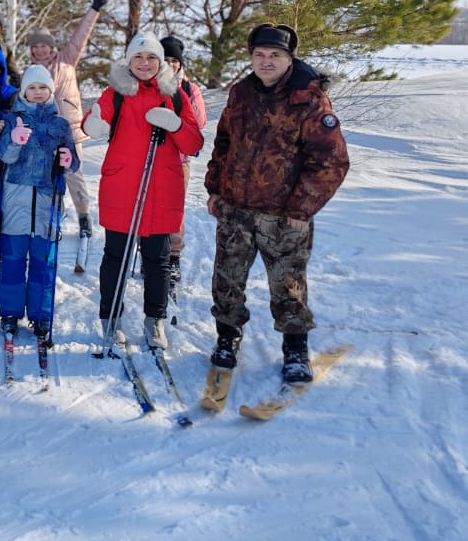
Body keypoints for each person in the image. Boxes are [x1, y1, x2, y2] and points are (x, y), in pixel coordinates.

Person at [204, 23, 349, 383]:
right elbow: (223, 144)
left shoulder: (309, 98)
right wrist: (215, 189)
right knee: (227, 279)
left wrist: (301, 209)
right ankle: (227, 338)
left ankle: (295, 349)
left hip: (284, 217)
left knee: (288, 286)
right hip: (236, 210)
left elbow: (330, 160)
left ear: (289, 58)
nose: (266, 61)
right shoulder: (241, 93)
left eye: (275, 55)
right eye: (259, 55)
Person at [82, 32, 203, 351]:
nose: (145, 63)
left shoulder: (176, 95)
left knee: (158, 259)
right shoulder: (115, 93)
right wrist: (93, 124)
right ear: (129, 61)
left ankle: (155, 322)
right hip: (123, 187)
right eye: (139, 57)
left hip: (162, 187)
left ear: (161, 62)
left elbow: (194, 143)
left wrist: (175, 125)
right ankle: (111, 320)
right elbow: (94, 121)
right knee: (115, 258)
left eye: (151, 58)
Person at [0, 65, 77, 342]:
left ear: (50, 91)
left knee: (43, 262)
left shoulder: (60, 124)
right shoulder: (12, 119)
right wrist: (15, 141)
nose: (38, 92)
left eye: (43, 88)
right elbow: (4, 155)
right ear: (24, 91)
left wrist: (68, 161)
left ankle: (41, 315)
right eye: (33, 88)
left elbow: (73, 159)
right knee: (13, 260)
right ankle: (9, 313)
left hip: (47, 202)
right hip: (16, 200)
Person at [26, 0, 107, 239]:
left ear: (52, 46)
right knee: (49, 176)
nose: (40, 50)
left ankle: (84, 216)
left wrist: (94, 9)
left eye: (44, 45)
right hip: (44, 132)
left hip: (69, 129)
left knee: (74, 175)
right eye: (35, 46)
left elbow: (80, 37)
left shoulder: (67, 60)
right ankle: (53, 215)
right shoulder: (30, 71)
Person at [159, 35, 207, 293]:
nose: (170, 64)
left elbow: (198, 121)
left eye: (174, 60)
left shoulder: (189, 89)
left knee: (174, 209)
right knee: (149, 207)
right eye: (165, 59)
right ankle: (151, 253)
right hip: (150, 158)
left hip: (179, 159)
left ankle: (174, 256)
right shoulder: (147, 84)